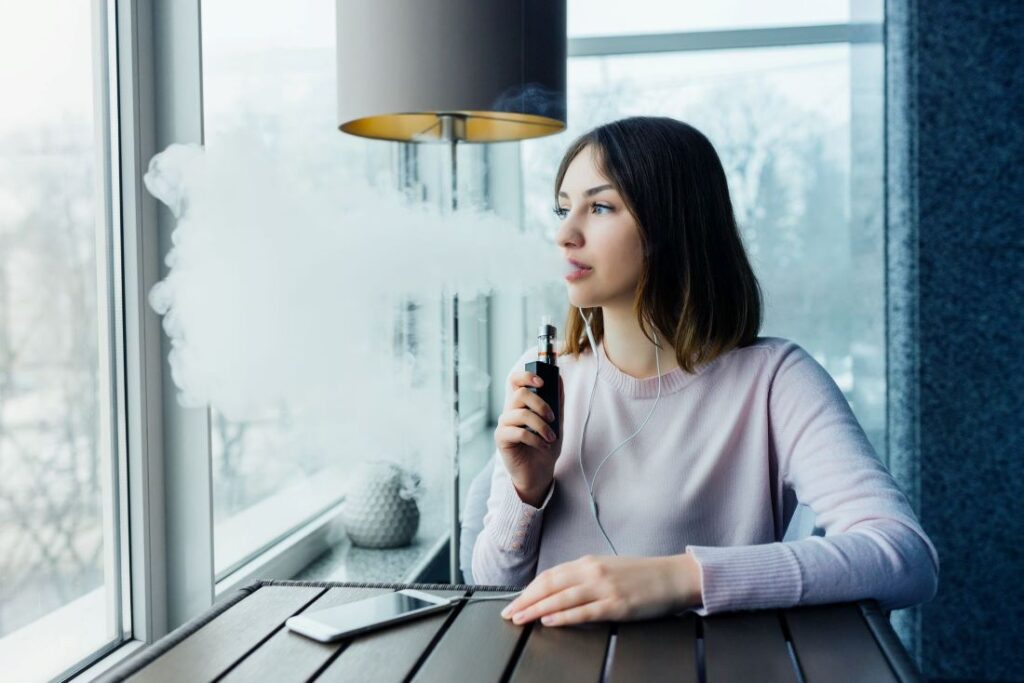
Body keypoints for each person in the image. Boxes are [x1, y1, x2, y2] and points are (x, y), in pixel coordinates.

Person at [471, 116, 939, 628]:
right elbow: (493, 593)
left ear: (674, 226)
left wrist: (677, 579)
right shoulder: (545, 374)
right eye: (563, 208)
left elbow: (904, 558)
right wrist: (527, 489)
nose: (564, 233)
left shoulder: (775, 381)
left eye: (600, 207)